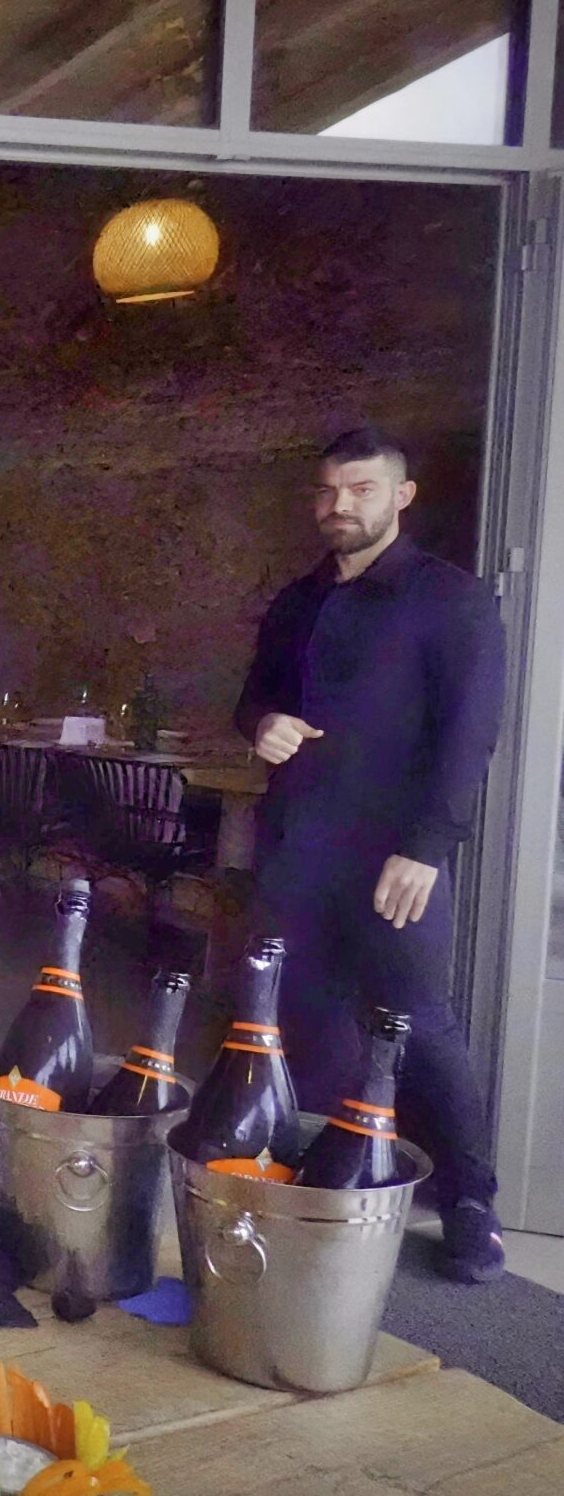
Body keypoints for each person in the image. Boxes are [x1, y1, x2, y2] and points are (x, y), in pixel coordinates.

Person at [235, 425, 505, 1282]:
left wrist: (426, 847)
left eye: (360, 489)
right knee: (304, 1025)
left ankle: (469, 1203)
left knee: (419, 1026)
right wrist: (263, 725)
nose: (339, 505)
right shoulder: (296, 601)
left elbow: (469, 737)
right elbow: (253, 699)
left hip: (395, 858)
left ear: (402, 495)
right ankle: (323, 1191)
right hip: (297, 851)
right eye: (327, 491)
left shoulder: (451, 600)